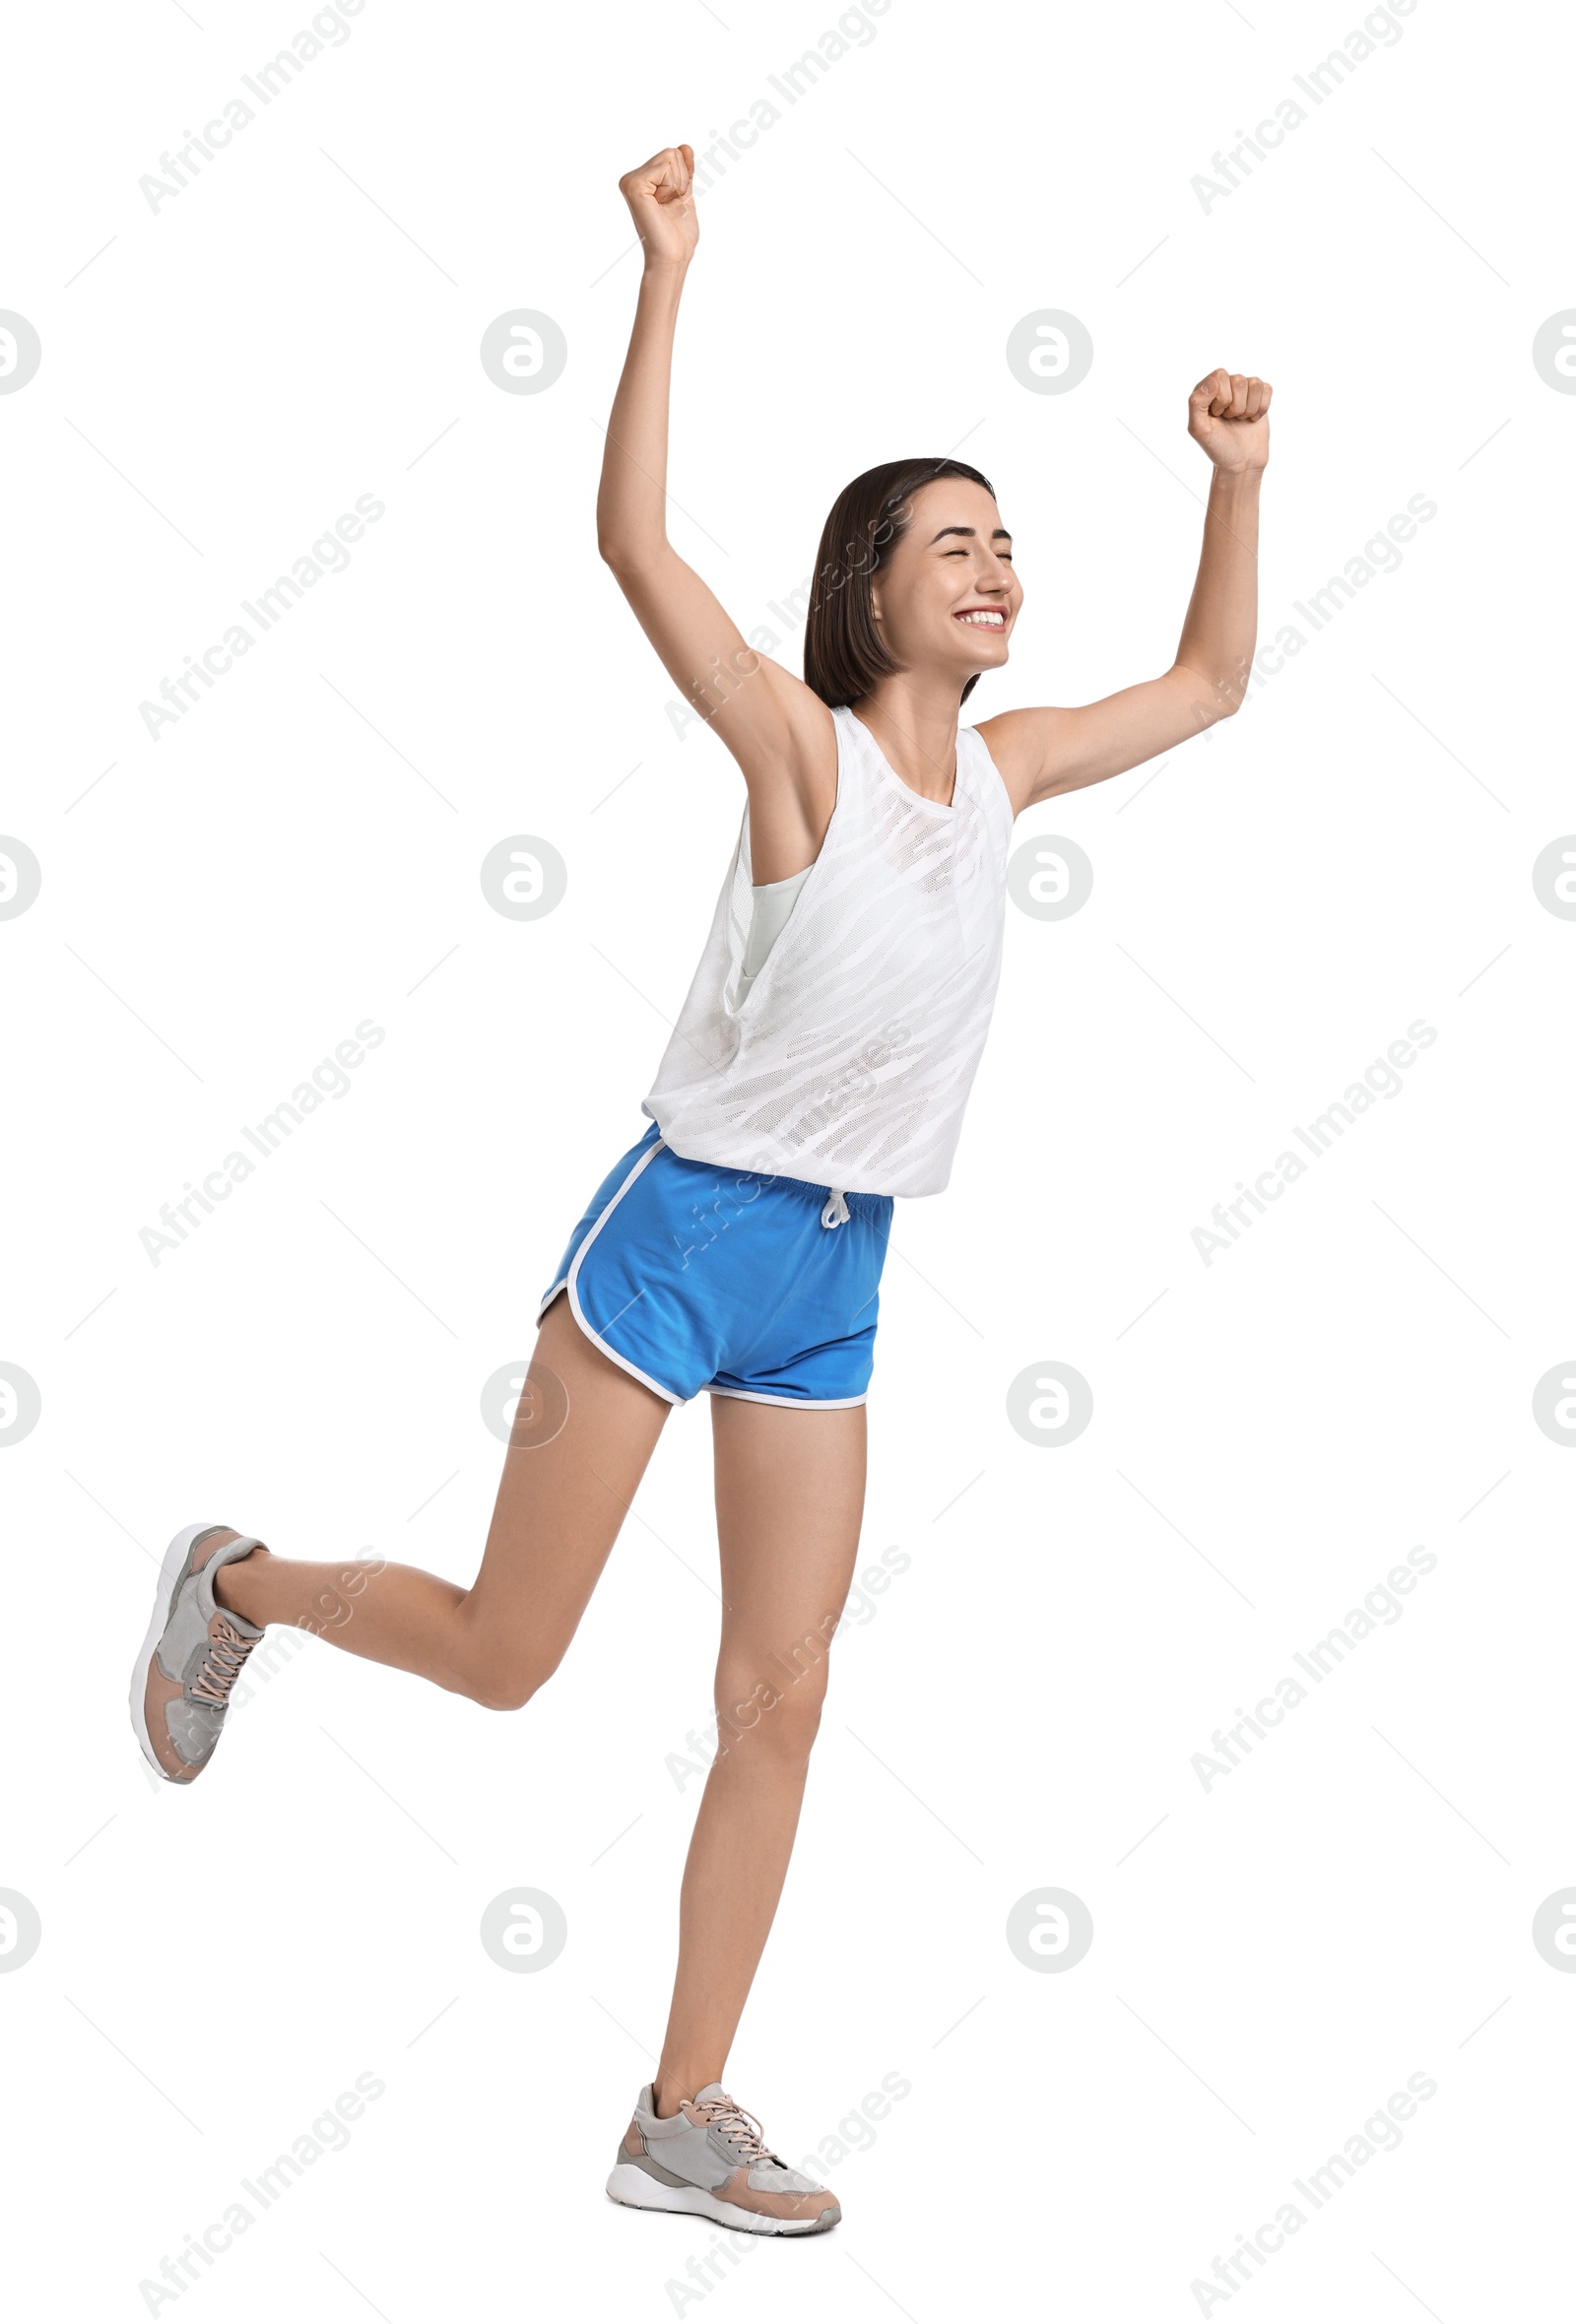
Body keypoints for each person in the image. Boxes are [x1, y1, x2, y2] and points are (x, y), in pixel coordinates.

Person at [130, 142, 1271, 2237]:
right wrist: (664, 269)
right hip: (672, 1249)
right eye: (956, 545)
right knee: (505, 1655)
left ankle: (680, 2107)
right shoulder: (797, 753)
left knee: (785, 1695)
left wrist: (1230, 478)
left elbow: (1206, 688)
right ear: (869, 592)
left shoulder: (1002, 778)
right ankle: (233, 1586)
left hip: (835, 1284)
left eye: (1008, 544)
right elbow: (630, 538)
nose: (998, 570)